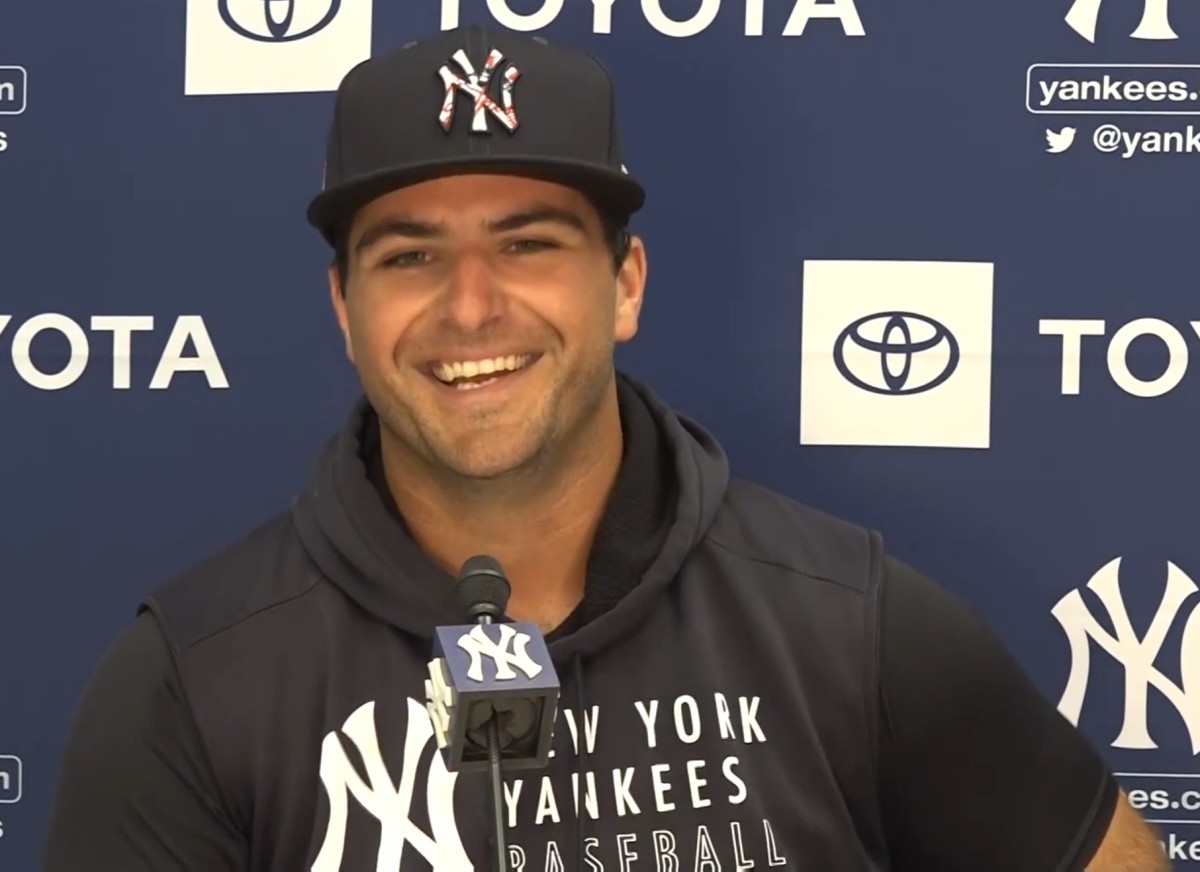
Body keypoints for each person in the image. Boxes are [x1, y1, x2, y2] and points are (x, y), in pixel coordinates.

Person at [42, 23, 1168, 872]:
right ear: (343, 305)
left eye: (527, 244)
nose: (472, 307)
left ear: (623, 284)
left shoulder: (854, 624)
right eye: (410, 257)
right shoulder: (192, 680)